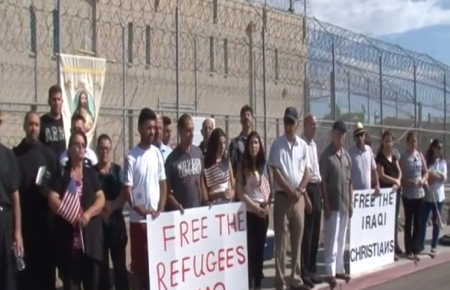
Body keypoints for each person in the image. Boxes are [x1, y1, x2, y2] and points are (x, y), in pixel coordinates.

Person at [47, 131, 105, 290]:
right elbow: (53, 198)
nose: (80, 148)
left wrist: (87, 214)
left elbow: (101, 199)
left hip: (90, 243)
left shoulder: (91, 174)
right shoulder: (61, 174)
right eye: (76, 145)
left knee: (92, 284)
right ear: (69, 149)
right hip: (68, 244)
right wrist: (70, 213)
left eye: (83, 146)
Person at [13, 111, 59, 290]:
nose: (33, 128)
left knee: (46, 274)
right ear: (24, 126)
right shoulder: (15, 155)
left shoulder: (49, 155)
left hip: (45, 225)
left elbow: (56, 187)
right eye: (30, 124)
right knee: (24, 275)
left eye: (37, 125)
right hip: (24, 225)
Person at [123, 108, 167, 290]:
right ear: (140, 128)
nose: (152, 132)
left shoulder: (156, 153)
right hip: (139, 222)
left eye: (154, 128)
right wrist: (137, 208)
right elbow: (127, 189)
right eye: (148, 128)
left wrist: (161, 208)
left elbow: (163, 183)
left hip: (155, 221)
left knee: (156, 266)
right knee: (139, 270)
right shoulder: (131, 157)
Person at [268, 107, 312, 290]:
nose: (288, 126)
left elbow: (307, 171)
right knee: (281, 241)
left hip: (298, 198)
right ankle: (280, 281)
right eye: (286, 122)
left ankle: (295, 277)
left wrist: (300, 190)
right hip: (283, 198)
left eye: (292, 122)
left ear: (297, 124)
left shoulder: (303, 146)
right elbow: (275, 171)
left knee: (297, 239)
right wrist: (289, 190)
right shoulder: (277, 144)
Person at [236, 131, 271, 290]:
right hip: (250, 213)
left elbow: (269, 189)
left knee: (259, 252)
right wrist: (254, 207)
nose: (253, 146)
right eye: (251, 143)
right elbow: (240, 192)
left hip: (263, 214)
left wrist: (267, 205)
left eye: (256, 143)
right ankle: (248, 285)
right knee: (249, 252)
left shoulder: (264, 165)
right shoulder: (243, 166)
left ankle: (258, 284)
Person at [320, 121, 352, 288]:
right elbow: (323, 181)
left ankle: (340, 269)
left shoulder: (346, 156)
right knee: (331, 241)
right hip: (332, 204)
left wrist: (351, 202)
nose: (342, 137)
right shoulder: (327, 155)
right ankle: (330, 272)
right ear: (333, 134)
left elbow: (349, 181)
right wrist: (325, 203)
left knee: (341, 239)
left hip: (345, 203)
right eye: (339, 134)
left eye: (344, 134)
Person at [94, 134, 129, 290]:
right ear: (97, 150)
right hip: (98, 227)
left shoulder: (117, 171)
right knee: (101, 269)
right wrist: (102, 211)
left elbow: (125, 193)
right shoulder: (91, 173)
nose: (104, 152)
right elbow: (88, 196)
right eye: (102, 148)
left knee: (120, 268)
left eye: (107, 148)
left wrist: (112, 206)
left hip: (116, 226)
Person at [0, 111, 22, 290]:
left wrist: (17, 232)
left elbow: (15, 196)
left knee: (7, 272)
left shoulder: (8, 156)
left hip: (4, 220)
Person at [165, 114, 204, 211]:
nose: (191, 134)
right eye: (188, 131)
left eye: (192, 130)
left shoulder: (198, 153)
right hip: (182, 214)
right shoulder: (172, 159)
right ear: (180, 132)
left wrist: (205, 201)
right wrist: (176, 205)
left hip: (199, 210)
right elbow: (167, 191)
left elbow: (202, 180)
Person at [300, 114, 322, 287]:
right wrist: (305, 197)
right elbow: (302, 172)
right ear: (306, 125)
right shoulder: (301, 145)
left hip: (317, 187)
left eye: (316, 125)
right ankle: (304, 271)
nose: (315, 128)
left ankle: (312, 269)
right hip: (307, 188)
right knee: (307, 233)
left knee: (315, 232)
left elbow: (316, 171)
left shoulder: (313, 145)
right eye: (312, 125)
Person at [399, 131, 428, 261]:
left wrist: (423, 180)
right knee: (409, 222)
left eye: (415, 141)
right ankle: (408, 249)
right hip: (408, 195)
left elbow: (426, 172)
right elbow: (400, 178)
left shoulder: (420, 155)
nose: (413, 144)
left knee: (418, 222)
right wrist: (409, 183)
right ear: (407, 142)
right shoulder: (404, 158)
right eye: (411, 141)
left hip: (419, 194)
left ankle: (416, 248)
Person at [375, 130, 402, 260]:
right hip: (385, 195)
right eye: (385, 141)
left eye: (390, 141)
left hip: (395, 193)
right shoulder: (379, 157)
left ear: (393, 142)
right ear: (382, 142)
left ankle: (395, 244)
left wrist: (398, 181)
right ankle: (388, 250)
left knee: (395, 220)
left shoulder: (394, 155)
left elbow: (399, 171)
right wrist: (394, 181)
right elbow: (381, 175)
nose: (388, 143)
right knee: (386, 222)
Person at [419, 139, 447, 254]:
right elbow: (426, 176)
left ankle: (433, 245)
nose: (440, 150)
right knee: (423, 220)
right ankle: (420, 244)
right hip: (428, 196)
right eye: (438, 147)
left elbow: (442, 178)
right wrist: (432, 175)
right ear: (433, 148)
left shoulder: (442, 163)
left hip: (438, 196)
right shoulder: (427, 161)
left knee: (436, 221)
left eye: (441, 148)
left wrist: (432, 175)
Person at [202, 128, 235, 204]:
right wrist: (220, 195)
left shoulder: (227, 161)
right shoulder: (206, 163)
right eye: (219, 144)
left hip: (228, 204)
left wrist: (232, 192)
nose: (222, 147)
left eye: (224, 143)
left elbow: (233, 184)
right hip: (214, 206)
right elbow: (206, 193)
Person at [348, 122, 380, 192]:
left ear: (364, 136)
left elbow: (374, 170)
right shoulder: (350, 153)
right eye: (357, 136)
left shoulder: (369, 150)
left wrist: (377, 184)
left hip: (367, 193)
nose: (360, 138)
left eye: (361, 135)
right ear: (354, 138)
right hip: (356, 194)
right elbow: (348, 175)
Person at [39, 84, 66, 157]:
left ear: (62, 101)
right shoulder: (41, 122)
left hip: (63, 163)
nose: (56, 103)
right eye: (54, 99)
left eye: (58, 99)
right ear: (49, 102)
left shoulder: (67, 121)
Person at [229, 105, 254, 177]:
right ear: (240, 120)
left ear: (252, 119)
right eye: (244, 115)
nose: (246, 117)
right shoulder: (234, 144)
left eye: (248, 115)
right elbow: (231, 165)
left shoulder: (257, 143)